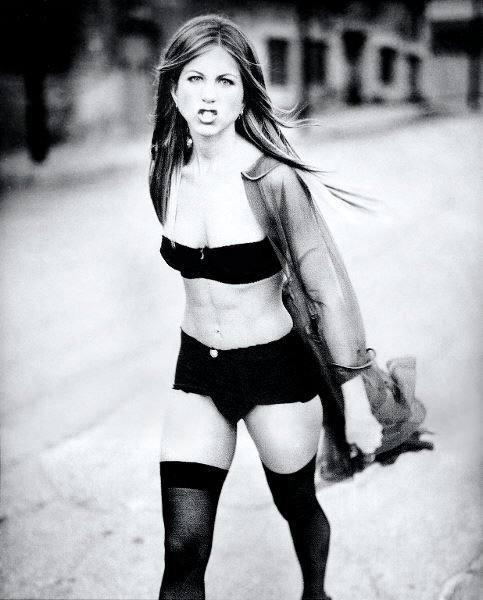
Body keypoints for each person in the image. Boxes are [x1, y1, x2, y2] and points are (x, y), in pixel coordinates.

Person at [149, 14, 424, 600]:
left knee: (297, 508)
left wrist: (355, 396)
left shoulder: (272, 179)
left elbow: (326, 289)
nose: (209, 95)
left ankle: (315, 594)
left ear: (244, 92)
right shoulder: (166, 172)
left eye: (225, 80)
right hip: (197, 371)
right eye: (195, 78)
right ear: (173, 89)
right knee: (182, 547)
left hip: (274, 373)